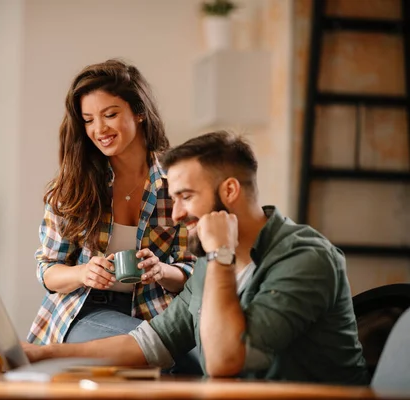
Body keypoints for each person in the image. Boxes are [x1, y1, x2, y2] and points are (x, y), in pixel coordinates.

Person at [23, 131, 369, 385]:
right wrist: (39, 354)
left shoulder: (306, 258)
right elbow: (150, 343)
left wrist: (220, 255)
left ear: (229, 191)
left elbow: (225, 363)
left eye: (186, 196)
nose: (176, 215)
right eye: (174, 199)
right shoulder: (209, 265)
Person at [27, 59, 196, 352]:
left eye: (110, 114)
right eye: (89, 119)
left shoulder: (176, 182)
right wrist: (82, 274)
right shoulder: (73, 185)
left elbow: (191, 267)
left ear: (139, 112)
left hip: (158, 312)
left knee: (195, 364)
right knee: (154, 352)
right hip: (85, 310)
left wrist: (161, 271)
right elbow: (48, 269)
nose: (99, 129)